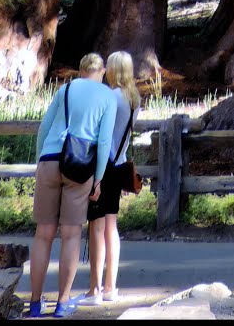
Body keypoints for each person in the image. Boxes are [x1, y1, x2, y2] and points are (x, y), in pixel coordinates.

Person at [28, 53, 117, 318]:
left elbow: (44, 128)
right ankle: (62, 303)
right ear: (102, 71)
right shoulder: (107, 96)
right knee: (70, 235)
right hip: (79, 167)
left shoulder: (64, 89)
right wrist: (99, 178)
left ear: (80, 71)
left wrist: (39, 162)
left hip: (49, 160)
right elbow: (103, 142)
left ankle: (34, 303)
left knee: (43, 234)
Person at [82, 51, 141, 306]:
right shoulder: (134, 100)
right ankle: (110, 286)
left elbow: (100, 133)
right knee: (111, 228)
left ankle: (93, 290)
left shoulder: (109, 97)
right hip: (119, 164)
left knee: (96, 227)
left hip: (103, 165)